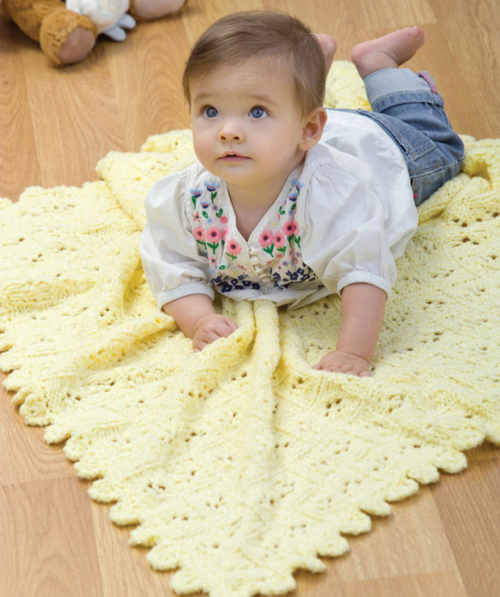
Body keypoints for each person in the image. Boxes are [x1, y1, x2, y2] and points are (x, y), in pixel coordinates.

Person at [139, 10, 464, 377]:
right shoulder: (189, 199)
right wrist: (199, 319)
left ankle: (379, 65)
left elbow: (363, 271)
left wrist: (354, 352)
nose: (228, 131)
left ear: (309, 129)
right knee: (287, 90)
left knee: (443, 149)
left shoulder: (331, 197)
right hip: (291, 134)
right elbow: (171, 264)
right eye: (210, 110)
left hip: (383, 148)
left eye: (256, 111)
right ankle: (308, 71)